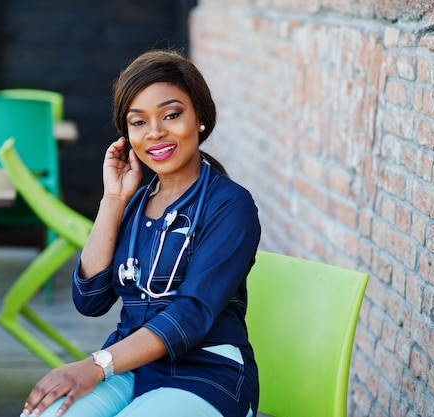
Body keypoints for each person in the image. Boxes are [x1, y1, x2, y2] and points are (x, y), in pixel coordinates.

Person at [21, 49, 261, 417]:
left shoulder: (230, 205)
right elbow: (90, 298)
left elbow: (190, 316)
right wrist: (114, 200)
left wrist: (96, 365)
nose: (155, 132)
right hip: (132, 366)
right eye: (138, 122)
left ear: (199, 117)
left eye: (171, 115)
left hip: (208, 375)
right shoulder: (135, 203)